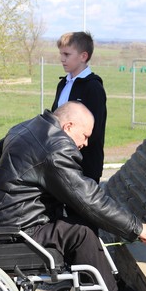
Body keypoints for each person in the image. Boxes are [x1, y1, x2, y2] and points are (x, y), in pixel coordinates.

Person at [0, 101, 146, 291]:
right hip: (15, 229)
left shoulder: (28, 126)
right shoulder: (55, 148)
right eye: (85, 135)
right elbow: (90, 199)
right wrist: (136, 227)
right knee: (81, 232)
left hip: (1, 216)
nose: (86, 143)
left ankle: (109, 286)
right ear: (68, 127)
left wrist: (25, 185)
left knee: (81, 219)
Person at [50, 31, 107, 183]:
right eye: (61, 54)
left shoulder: (94, 88)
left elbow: (94, 131)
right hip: (61, 162)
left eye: (67, 54)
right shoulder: (63, 84)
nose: (62, 59)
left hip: (84, 166)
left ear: (83, 56)